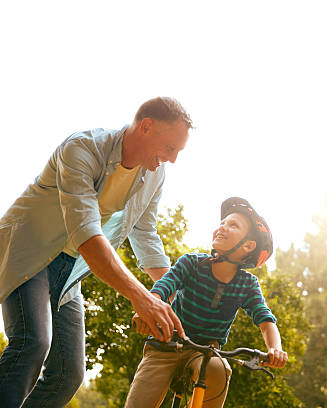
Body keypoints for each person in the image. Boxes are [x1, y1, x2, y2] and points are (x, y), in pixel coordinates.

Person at [0, 97, 191, 408]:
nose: (172, 159)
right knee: (32, 344)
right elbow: (86, 232)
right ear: (146, 127)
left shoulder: (154, 175)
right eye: (170, 148)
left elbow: (145, 234)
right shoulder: (82, 148)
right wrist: (141, 298)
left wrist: (178, 299)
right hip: (30, 251)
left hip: (70, 269)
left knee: (67, 374)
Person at [125, 197, 288, 408]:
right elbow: (164, 286)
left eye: (233, 225)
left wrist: (275, 349)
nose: (222, 227)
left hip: (206, 351)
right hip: (166, 343)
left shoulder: (247, 284)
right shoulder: (192, 263)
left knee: (219, 369)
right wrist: (148, 309)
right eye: (222, 223)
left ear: (248, 245)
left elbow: (265, 319)